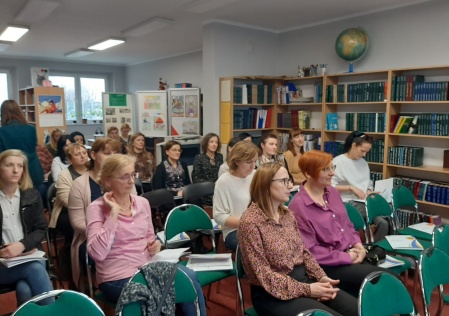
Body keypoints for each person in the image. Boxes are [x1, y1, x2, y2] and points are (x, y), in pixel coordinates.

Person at [86, 154, 206, 316]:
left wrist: (155, 245)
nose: (131, 180)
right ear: (108, 181)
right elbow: (97, 254)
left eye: (132, 174)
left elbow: (151, 237)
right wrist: (113, 214)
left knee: (189, 277)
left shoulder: (142, 203)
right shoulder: (96, 208)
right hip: (116, 277)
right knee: (155, 292)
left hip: (147, 267)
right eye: (124, 176)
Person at [239, 163, 357, 316]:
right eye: (284, 181)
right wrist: (308, 290)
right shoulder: (250, 222)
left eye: (289, 180)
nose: (290, 186)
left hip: (304, 280)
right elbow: (264, 276)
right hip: (272, 294)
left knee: (356, 309)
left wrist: (321, 277)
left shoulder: (287, 214)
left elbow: (304, 252)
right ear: (265, 185)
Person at [289, 150, 390, 295]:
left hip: (350, 254)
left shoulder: (332, 192)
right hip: (327, 265)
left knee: (385, 282)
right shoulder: (298, 206)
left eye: (332, 168)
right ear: (309, 174)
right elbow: (311, 251)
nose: (332, 173)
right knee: (385, 280)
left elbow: (347, 224)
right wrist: (347, 257)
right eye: (325, 169)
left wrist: (359, 246)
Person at [0, 149, 54, 306]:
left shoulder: (31, 194)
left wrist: (22, 245)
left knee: (25, 290)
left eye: (20, 166)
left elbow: (41, 228)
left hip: (30, 255)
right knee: (35, 270)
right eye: (9, 165)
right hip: (3, 263)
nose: (16, 170)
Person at [68, 138, 122, 291]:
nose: (111, 157)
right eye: (106, 153)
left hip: (122, 233)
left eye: (115, 153)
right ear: (93, 155)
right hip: (91, 237)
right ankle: (112, 284)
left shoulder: (123, 179)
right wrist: (104, 233)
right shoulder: (79, 184)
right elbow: (77, 222)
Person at [331, 131, 389, 242]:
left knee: (383, 223)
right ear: (354, 145)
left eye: (367, 152)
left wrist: (369, 191)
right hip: (347, 202)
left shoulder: (363, 163)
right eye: (362, 151)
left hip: (363, 201)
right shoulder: (338, 162)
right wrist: (351, 188)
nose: (364, 155)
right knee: (383, 209)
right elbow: (330, 186)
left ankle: (376, 250)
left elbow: (367, 182)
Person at [49, 144, 89, 283]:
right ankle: (75, 269)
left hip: (90, 210)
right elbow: (66, 200)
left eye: (84, 152)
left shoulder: (93, 170)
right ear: (70, 159)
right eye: (78, 154)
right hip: (67, 212)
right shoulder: (65, 175)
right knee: (76, 229)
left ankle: (93, 263)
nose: (83, 156)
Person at [213, 140, 258, 251]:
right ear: (237, 161)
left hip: (257, 226)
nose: (253, 166)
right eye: (248, 162)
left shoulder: (255, 175)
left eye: (255, 161)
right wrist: (247, 222)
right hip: (234, 230)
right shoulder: (224, 181)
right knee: (255, 245)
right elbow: (219, 216)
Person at [0, 100, 45, 188]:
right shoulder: (31, 129)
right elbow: (34, 146)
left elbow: (1, 156)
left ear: (3, 114)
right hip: (33, 172)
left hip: (13, 174)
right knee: (34, 199)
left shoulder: (1, 132)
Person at [191, 133, 223, 205]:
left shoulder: (220, 157)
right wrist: (211, 185)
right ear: (206, 143)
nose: (214, 144)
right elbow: (196, 179)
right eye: (211, 142)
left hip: (218, 189)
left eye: (216, 142)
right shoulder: (199, 158)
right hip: (204, 191)